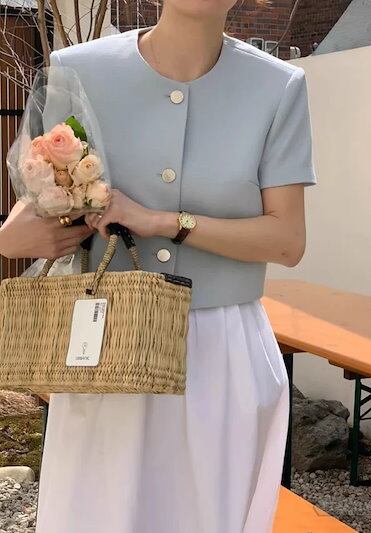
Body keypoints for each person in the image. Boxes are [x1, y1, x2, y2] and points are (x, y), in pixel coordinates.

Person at [0, 1, 317, 531]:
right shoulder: (77, 70)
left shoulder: (278, 86)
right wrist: (16, 236)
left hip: (222, 353)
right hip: (106, 345)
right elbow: (33, 206)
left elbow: (287, 241)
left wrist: (160, 221)